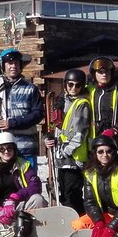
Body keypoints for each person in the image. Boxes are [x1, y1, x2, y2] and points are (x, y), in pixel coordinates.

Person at [43, 69, 90, 217]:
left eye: (77, 85)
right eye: (70, 85)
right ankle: (70, 223)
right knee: (63, 195)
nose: (73, 88)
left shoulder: (82, 104)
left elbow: (79, 132)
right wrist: (51, 139)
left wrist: (66, 150)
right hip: (61, 158)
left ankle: (80, 222)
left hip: (74, 158)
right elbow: (59, 129)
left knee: (72, 195)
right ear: (65, 85)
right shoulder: (62, 102)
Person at [0, 48, 43, 157]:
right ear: (3, 65)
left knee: (28, 174)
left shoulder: (30, 89)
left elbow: (38, 114)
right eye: (10, 63)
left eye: (16, 63)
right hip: (3, 148)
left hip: (25, 146)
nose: (13, 66)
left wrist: (12, 123)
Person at [86, 56, 118, 163]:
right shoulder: (88, 90)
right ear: (94, 74)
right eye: (100, 72)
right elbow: (69, 95)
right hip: (95, 143)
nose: (104, 74)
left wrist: (115, 130)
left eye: (107, 72)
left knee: (115, 176)